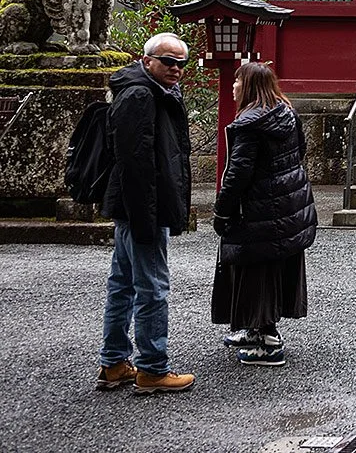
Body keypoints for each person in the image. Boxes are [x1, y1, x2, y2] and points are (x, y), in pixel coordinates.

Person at [97, 32, 195, 394]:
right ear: (147, 60)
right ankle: (153, 367)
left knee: (122, 284)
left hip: (136, 204)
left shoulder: (151, 91)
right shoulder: (141, 95)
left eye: (181, 63)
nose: (175, 69)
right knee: (152, 287)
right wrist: (147, 216)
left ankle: (114, 362)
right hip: (143, 206)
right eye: (168, 61)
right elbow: (135, 162)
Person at [211, 62, 316, 367]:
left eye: (237, 81)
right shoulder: (285, 114)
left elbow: (238, 173)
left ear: (249, 87)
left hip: (257, 208)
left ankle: (266, 338)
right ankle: (254, 328)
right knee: (272, 268)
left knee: (253, 270)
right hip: (285, 205)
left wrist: (223, 210)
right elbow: (300, 152)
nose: (233, 86)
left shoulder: (250, 124)